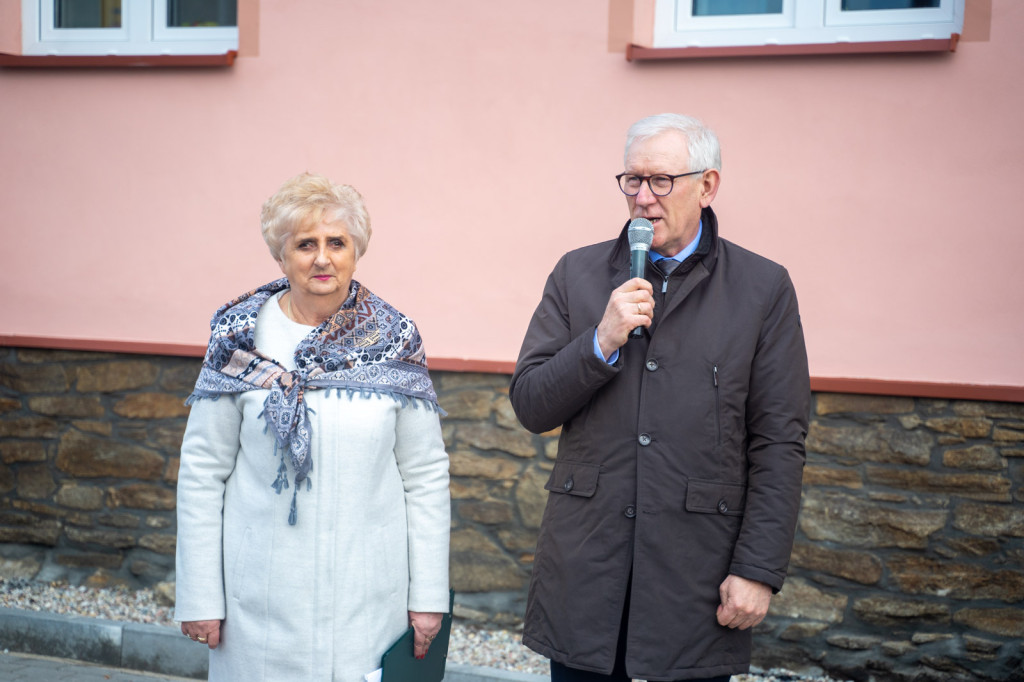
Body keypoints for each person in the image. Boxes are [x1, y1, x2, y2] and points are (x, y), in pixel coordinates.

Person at [509, 114, 810, 682]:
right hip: (586, 569)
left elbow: (778, 441)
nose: (643, 198)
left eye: (662, 181)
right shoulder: (577, 274)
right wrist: (599, 342)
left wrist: (758, 570)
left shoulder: (761, 288)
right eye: (632, 180)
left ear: (708, 185)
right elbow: (530, 404)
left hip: (694, 572)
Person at [174, 172, 451, 681]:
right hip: (256, 609)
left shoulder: (394, 339)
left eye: (336, 243)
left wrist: (428, 597)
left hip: (368, 605)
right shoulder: (239, 339)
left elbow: (426, 476)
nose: (322, 258)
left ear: (356, 251)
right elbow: (201, 473)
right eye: (305, 244)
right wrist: (199, 596)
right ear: (281, 257)